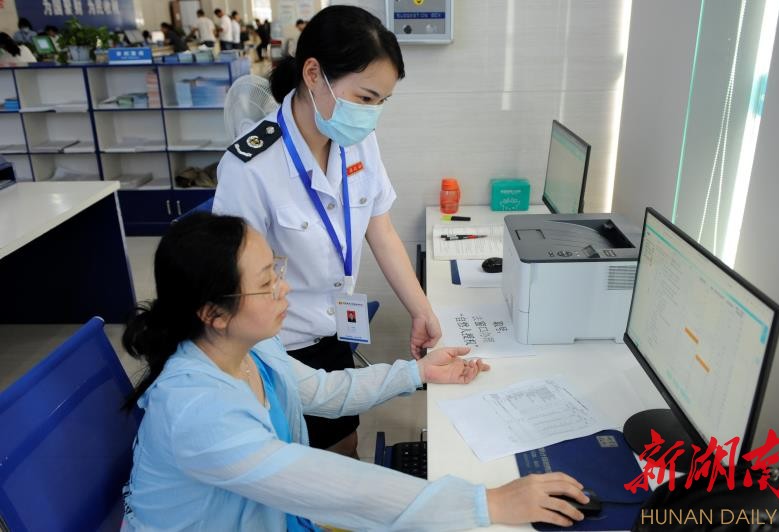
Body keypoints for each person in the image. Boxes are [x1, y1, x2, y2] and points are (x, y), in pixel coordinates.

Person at [120, 211, 591, 531]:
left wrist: (418, 373)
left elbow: (322, 390)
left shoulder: (247, 348)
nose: (285, 289)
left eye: (276, 270)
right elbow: (322, 484)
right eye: (267, 283)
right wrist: (488, 502)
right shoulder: (197, 409)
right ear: (213, 313)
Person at [213, 5, 442, 458]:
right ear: (314, 74)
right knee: (300, 461)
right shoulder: (251, 166)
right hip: (276, 345)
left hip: (336, 326)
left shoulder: (358, 141)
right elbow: (234, 286)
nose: (372, 115)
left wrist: (421, 309)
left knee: (345, 443)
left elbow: (380, 228)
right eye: (365, 98)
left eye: (381, 102)